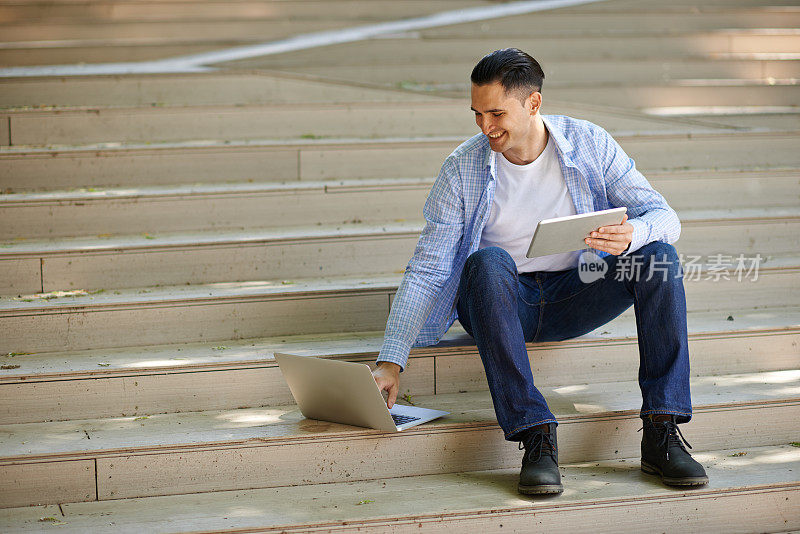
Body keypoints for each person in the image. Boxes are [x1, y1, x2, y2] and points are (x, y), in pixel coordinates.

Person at [371, 48, 708, 494]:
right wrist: (391, 361)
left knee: (658, 254)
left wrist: (634, 234)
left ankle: (662, 431)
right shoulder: (461, 168)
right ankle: (535, 434)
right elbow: (428, 270)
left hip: (575, 291)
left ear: (533, 104)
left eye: (496, 113)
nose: (485, 127)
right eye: (476, 114)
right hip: (500, 301)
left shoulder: (589, 143)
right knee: (488, 262)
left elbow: (666, 216)